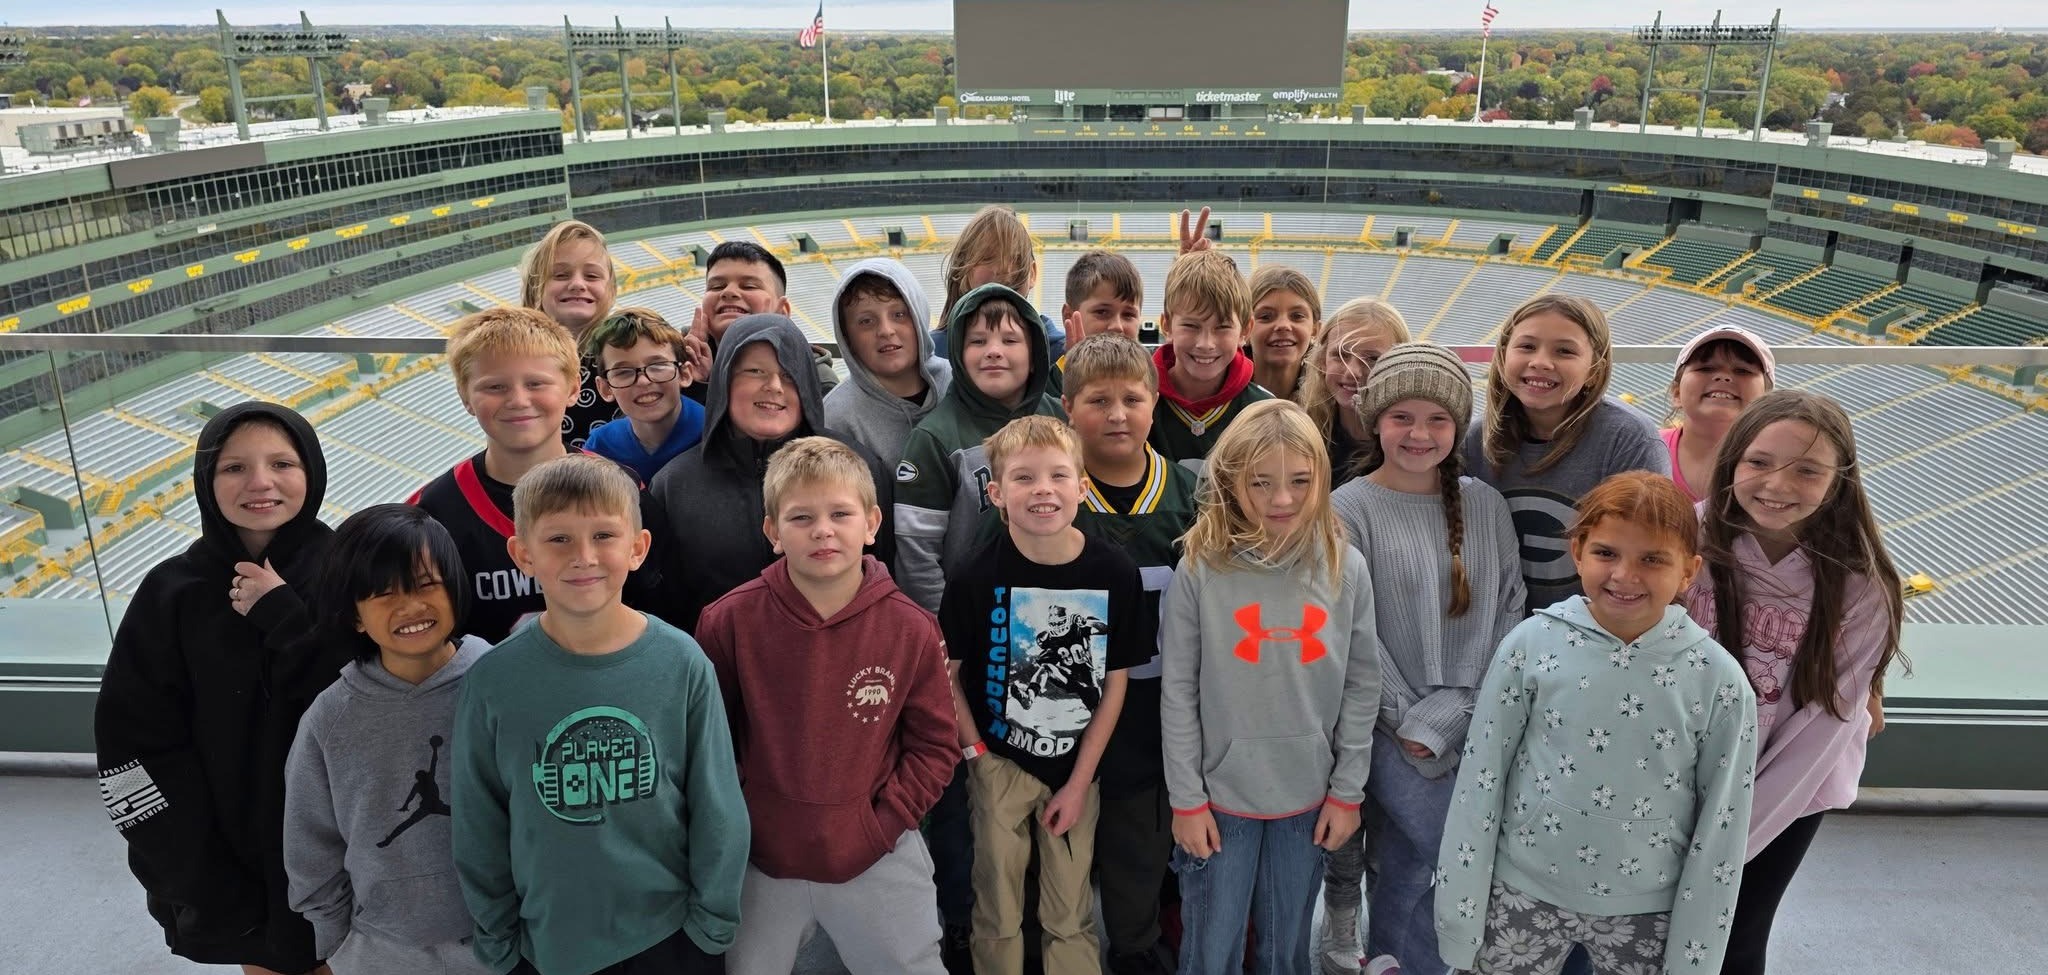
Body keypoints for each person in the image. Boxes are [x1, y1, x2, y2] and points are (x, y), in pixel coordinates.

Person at [1434, 471, 1756, 975]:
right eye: (1607, 553)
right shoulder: (1531, 645)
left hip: (1648, 909)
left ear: (1689, 571)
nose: (1625, 576)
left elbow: (1723, 825)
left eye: (1652, 559)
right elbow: (1481, 781)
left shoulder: (1718, 680)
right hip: (1521, 890)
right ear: (1578, 550)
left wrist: (1698, 956)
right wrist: (1460, 915)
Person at [451, 455, 749, 975]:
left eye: (604, 536)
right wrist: (499, 941)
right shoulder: (493, 680)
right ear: (523, 554)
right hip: (546, 945)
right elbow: (480, 823)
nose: (584, 557)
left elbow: (717, 805)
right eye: (559, 539)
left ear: (638, 548)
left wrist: (711, 927)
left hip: (671, 938)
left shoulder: (682, 662)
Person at [95, 402, 344, 975]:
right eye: (234, 468)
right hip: (226, 867)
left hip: (348, 857)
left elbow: (377, 701)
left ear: (312, 470)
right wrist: (194, 874)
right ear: (207, 482)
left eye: (282, 463)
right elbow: (128, 748)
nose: (260, 483)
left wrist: (287, 618)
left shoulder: (352, 573)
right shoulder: (171, 592)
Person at [696, 437, 957, 975]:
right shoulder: (727, 622)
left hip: (878, 855)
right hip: (760, 861)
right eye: (801, 517)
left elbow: (935, 746)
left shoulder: (911, 627)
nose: (823, 529)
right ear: (772, 531)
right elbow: (706, 745)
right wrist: (750, 820)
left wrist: (881, 825)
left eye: (841, 513)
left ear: (871, 523)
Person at [1681, 390, 1906, 975]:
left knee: (1736, 935)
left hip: (1787, 791)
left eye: (1807, 470)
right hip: (1683, 776)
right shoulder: (1690, 538)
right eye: (1759, 462)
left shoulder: (1861, 584)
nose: (1777, 484)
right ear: (1732, 462)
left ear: (1838, 481)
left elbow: (1824, 727)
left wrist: (1728, 840)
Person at [1159, 398, 1381, 975]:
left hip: (1307, 797)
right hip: (1219, 799)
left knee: (1285, 950)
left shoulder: (1345, 567)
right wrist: (1186, 800)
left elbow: (1362, 685)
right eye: (1261, 483)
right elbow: (1178, 691)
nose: (1282, 499)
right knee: (1212, 949)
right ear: (1232, 483)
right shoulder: (1200, 569)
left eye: (1300, 482)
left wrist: (1347, 791)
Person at [1324, 344, 1524, 975]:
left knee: (1423, 863)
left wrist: (1455, 712)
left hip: (1475, 722)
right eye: (1401, 417)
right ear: (1376, 421)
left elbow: (1509, 612)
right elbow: (1349, 634)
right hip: (1388, 728)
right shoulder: (1347, 509)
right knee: (1431, 852)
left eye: (1437, 419)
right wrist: (1408, 718)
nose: (1419, 433)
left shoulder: (1484, 506)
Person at [939, 415, 1146, 975]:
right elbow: (947, 673)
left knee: (1070, 910)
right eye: (1024, 477)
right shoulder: (974, 577)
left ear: (1082, 487)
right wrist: (976, 757)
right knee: (998, 909)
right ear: (996, 492)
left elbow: (1116, 680)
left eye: (1058, 475)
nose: (1043, 490)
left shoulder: (1114, 572)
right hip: (998, 764)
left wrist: (1081, 780)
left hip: (1077, 770)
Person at [283, 504, 492, 975]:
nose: (410, 607)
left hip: (504, 944)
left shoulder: (501, 685)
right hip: (380, 952)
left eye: (425, 585)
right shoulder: (329, 718)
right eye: (382, 594)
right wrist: (336, 943)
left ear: (456, 590)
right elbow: (310, 842)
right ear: (355, 616)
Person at [1061, 334, 1202, 975]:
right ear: (1067, 409)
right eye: (1098, 400)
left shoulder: (1192, 499)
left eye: (1131, 399)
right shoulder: (1047, 498)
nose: (1117, 413)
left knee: (1139, 845)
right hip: (1064, 712)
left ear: (1154, 406)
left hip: (1157, 711)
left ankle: (1136, 946)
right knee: (1061, 846)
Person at [407, 307, 672, 642]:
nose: (518, 400)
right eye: (495, 387)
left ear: (573, 389)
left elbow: (663, 609)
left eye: (536, 383)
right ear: (465, 395)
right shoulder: (433, 511)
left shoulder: (626, 490)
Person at [649, 313, 897, 632]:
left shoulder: (858, 467)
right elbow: (667, 610)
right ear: (725, 379)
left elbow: (884, 578)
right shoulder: (674, 486)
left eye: (789, 374)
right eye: (755, 372)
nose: (774, 386)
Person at [1466, 294, 1667, 613]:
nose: (1541, 362)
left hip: (1596, 632)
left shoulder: (1628, 439)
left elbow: (1647, 556)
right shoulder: (1477, 439)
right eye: (1527, 346)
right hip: (1498, 630)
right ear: (1504, 355)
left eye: (1565, 351)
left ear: (1594, 370)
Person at [895, 283, 1065, 614]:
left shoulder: (1060, 420)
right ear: (958, 356)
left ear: (1035, 357)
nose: (993, 351)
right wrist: (946, 633)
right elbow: (918, 557)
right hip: (971, 622)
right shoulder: (934, 438)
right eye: (977, 341)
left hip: (1051, 613)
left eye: (1010, 340)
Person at [1149, 249, 1272, 473]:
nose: (1206, 343)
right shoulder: (1137, 401)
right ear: (1166, 325)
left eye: (1222, 327)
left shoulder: (1265, 411)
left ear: (1245, 330)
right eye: (1191, 326)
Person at [824, 257, 953, 465]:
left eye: (899, 314)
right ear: (847, 338)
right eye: (866, 321)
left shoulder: (958, 384)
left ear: (918, 317)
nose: (885, 330)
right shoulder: (835, 418)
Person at [686, 241, 840, 402]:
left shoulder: (817, 380)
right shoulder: (676, 365)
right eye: (717, 286)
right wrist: (695, 386)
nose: (728, 292)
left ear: (783, 311)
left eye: (749, 286)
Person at [517, 219, 619, 450]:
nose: (577, 284)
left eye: (592, 276)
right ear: (537, 287)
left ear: (610, 288)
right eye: (561, 275)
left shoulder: (625, 351)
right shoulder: (518, 359)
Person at [581, 307, 706, 483]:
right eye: (623, 372)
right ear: (605, 388)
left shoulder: (713, 434)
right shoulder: (600, 448)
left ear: (684, 374)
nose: (643, 381)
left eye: (658, 366)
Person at [1302, 298, 1412, 486]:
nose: (1352, 371)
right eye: (1341, 355)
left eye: (1372, 358)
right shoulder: (1302, 433)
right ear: (1323, 360)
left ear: (1400, 364)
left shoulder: (1416, 442)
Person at [1661, 325, 1774, 505]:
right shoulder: (1643, 448)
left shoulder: (1781, 463)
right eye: (1705, 368)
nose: (1724, 377)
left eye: (1743, 370)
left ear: (1766, 400)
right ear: (1676, 393)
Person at [937, 204, 1068, 360]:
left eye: (1015, 258)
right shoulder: (930, 354)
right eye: (987, 258)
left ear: (1032, 273)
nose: (1003, 268)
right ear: (962, 269)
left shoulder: (1063, 352)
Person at [1050, 249, 1146, 394]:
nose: (1117, 326)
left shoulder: (1150, 387)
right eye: (1102, 312)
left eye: (1128, 314)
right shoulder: (1041, 395)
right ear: (1068, 316)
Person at [1246, 265, 1324, 402]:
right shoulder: (1216, 392)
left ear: (1315, 329)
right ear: (1244, 329)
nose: (1283, 325)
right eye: (1265, 317)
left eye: (1297, 316)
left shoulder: (1331, 399)